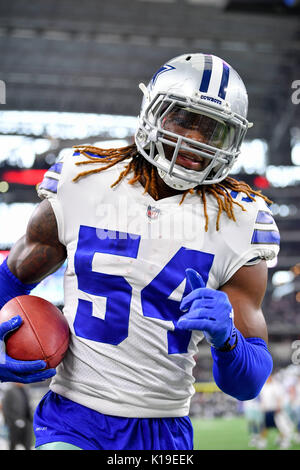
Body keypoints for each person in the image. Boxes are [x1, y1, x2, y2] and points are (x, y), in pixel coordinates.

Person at [0, 53, 280, 450]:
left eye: (213, 130)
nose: (196, 140)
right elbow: (10, 279)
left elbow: (247, 385)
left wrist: (229, 339)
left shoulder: (241, 219)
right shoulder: (84, 180)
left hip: (164, 431)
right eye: (184, 118)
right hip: (73, 420)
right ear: (154, 111)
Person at [1, 383, 33, 450]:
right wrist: (15, 420)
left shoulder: (26, 389)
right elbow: (6, 407)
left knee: (28, 443)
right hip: (14, 423)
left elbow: (28, 404)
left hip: (27, 421)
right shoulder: (10, 391)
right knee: (13, 443)